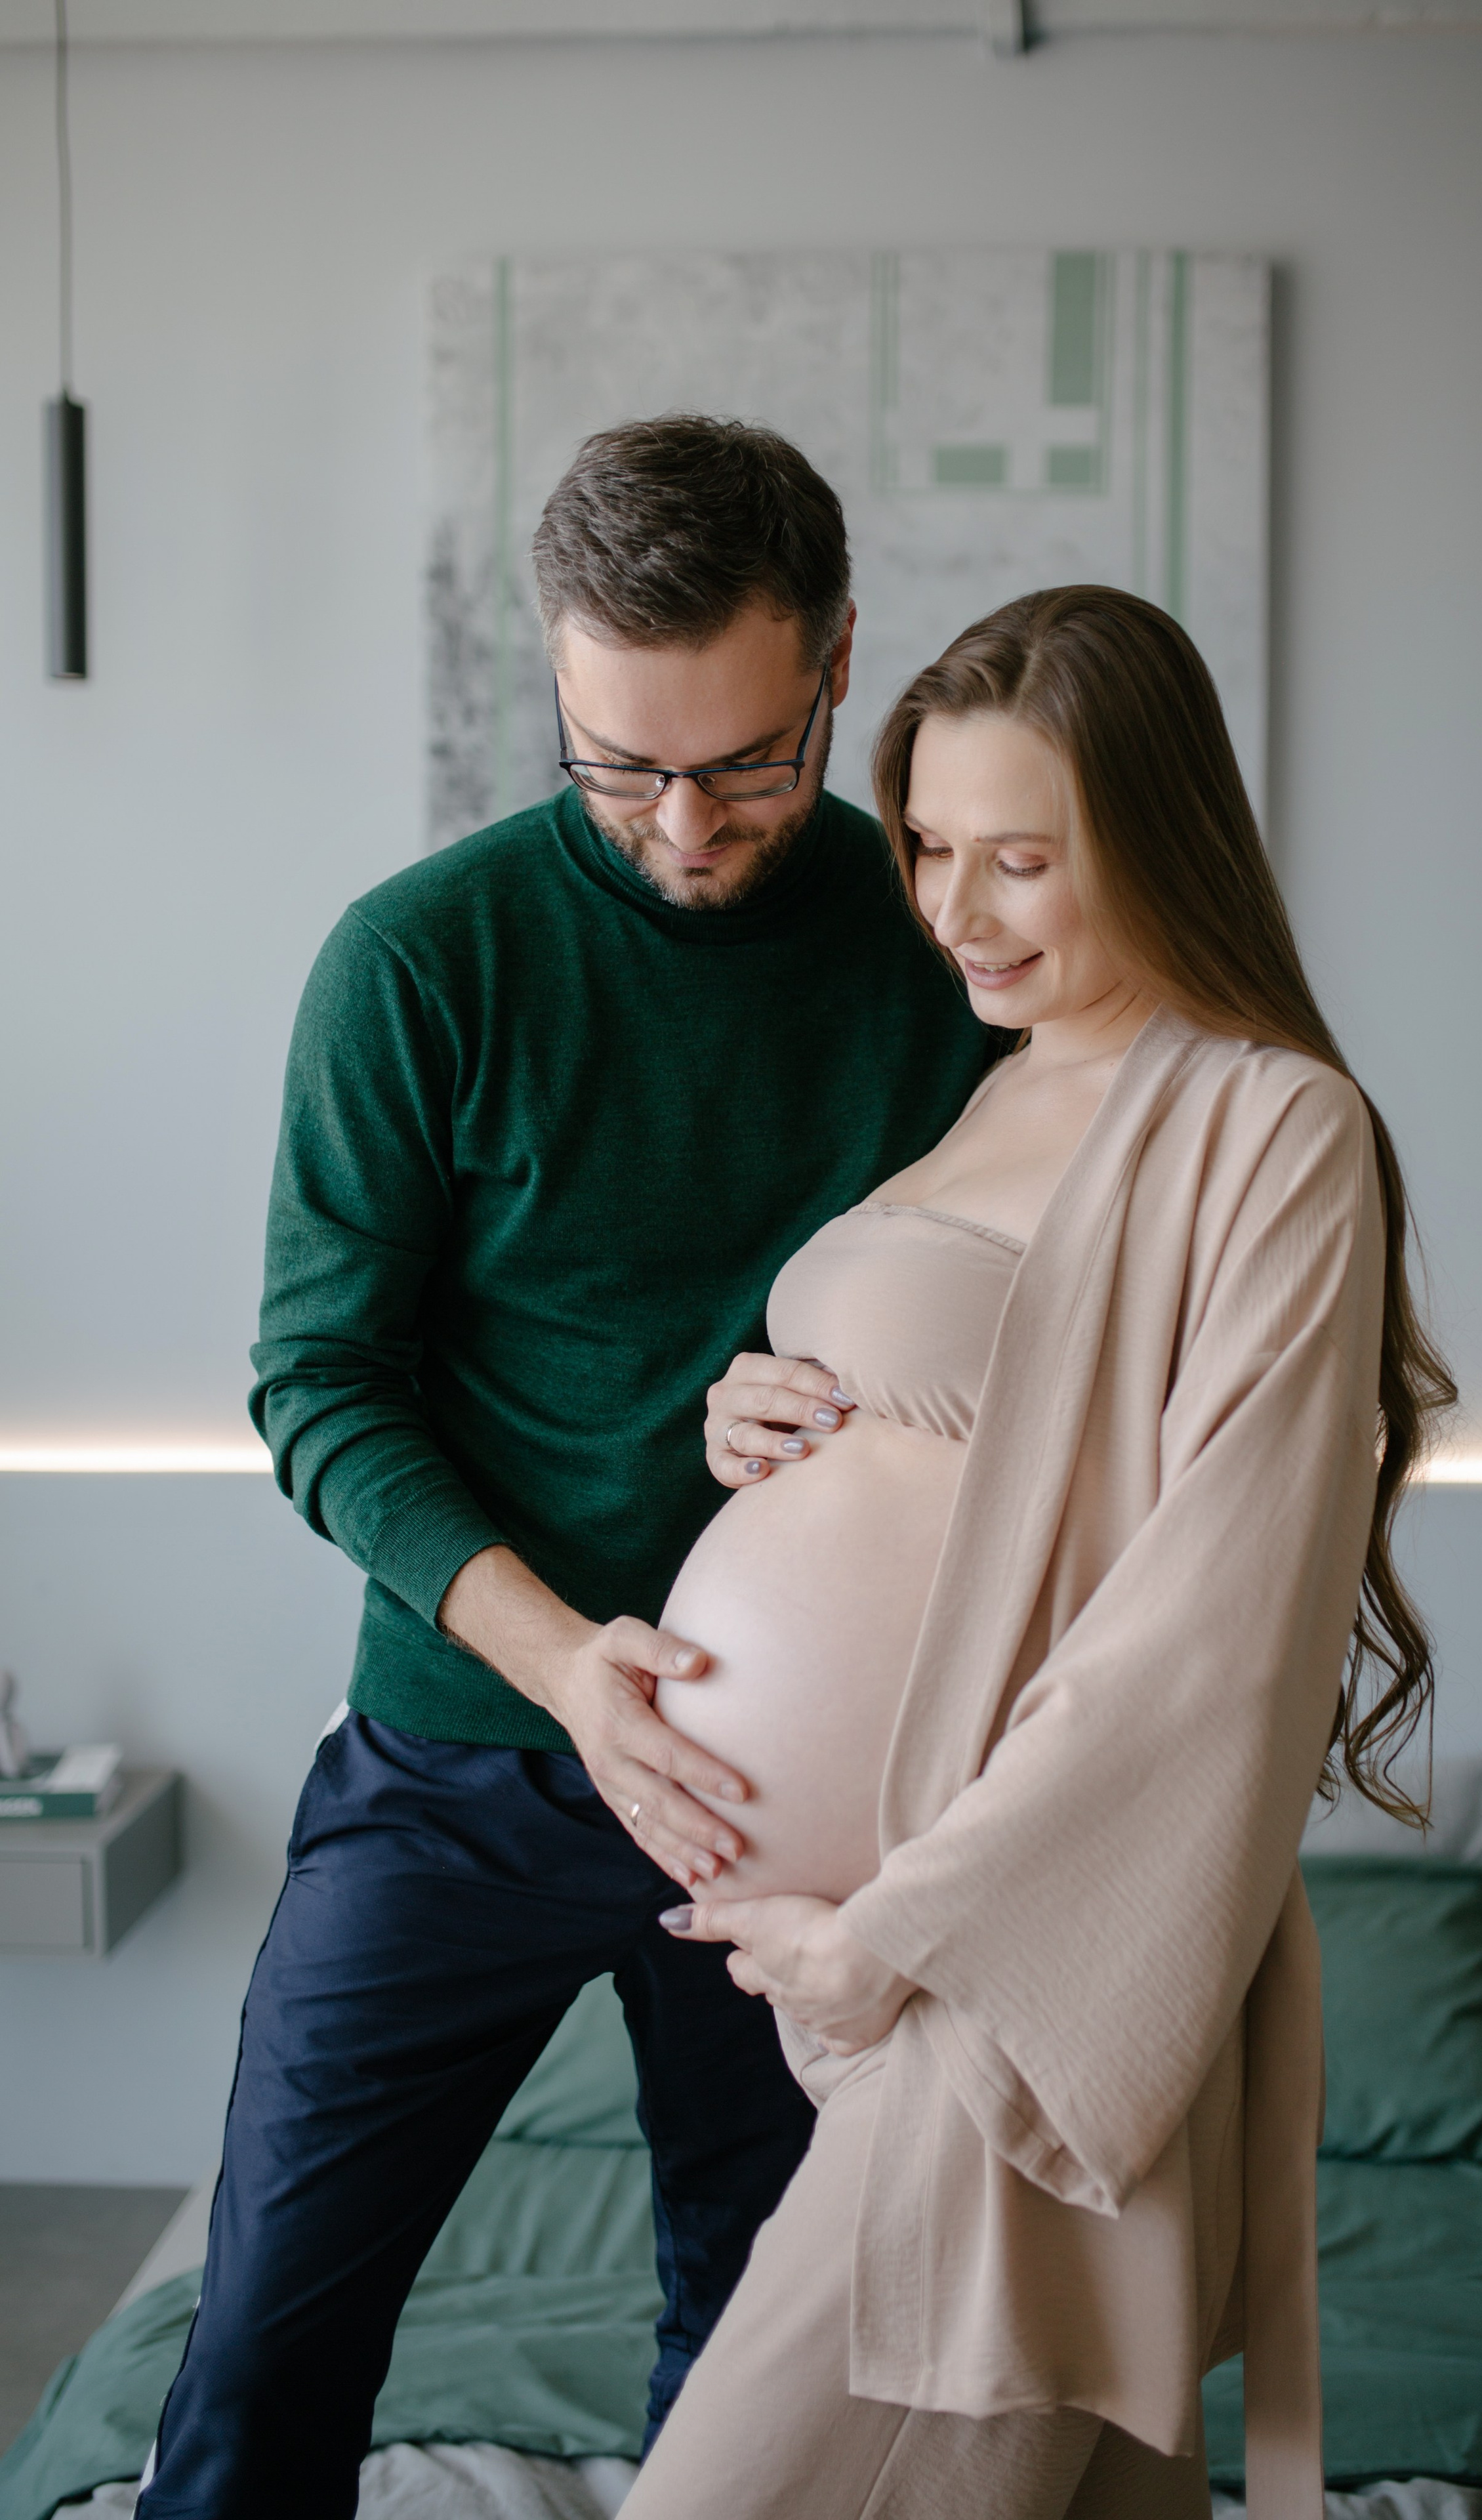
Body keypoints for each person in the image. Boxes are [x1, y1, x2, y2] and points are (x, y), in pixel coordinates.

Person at [135, 417, 996, 2520]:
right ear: (557, 685)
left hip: (821, 1803)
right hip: (464, 1756)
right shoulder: (419, 961)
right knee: (263, 2343)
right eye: (621, 765)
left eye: (744, 763)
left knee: (765, 2352)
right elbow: (321, 1388)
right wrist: (566, 1669)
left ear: (839, 665)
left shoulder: (952, 958)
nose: (683, 824)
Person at [617, 584, 1456, 2520]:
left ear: (1157, 840)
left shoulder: (1274, 1128)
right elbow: (978, 1435)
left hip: (1019, 1989)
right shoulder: (996, 1085)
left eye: (1023, 859)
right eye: (925, 847)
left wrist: (884, 1939)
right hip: (891, 1992)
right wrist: (760, 1407)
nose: (957, 913)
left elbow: (1216, 1632)